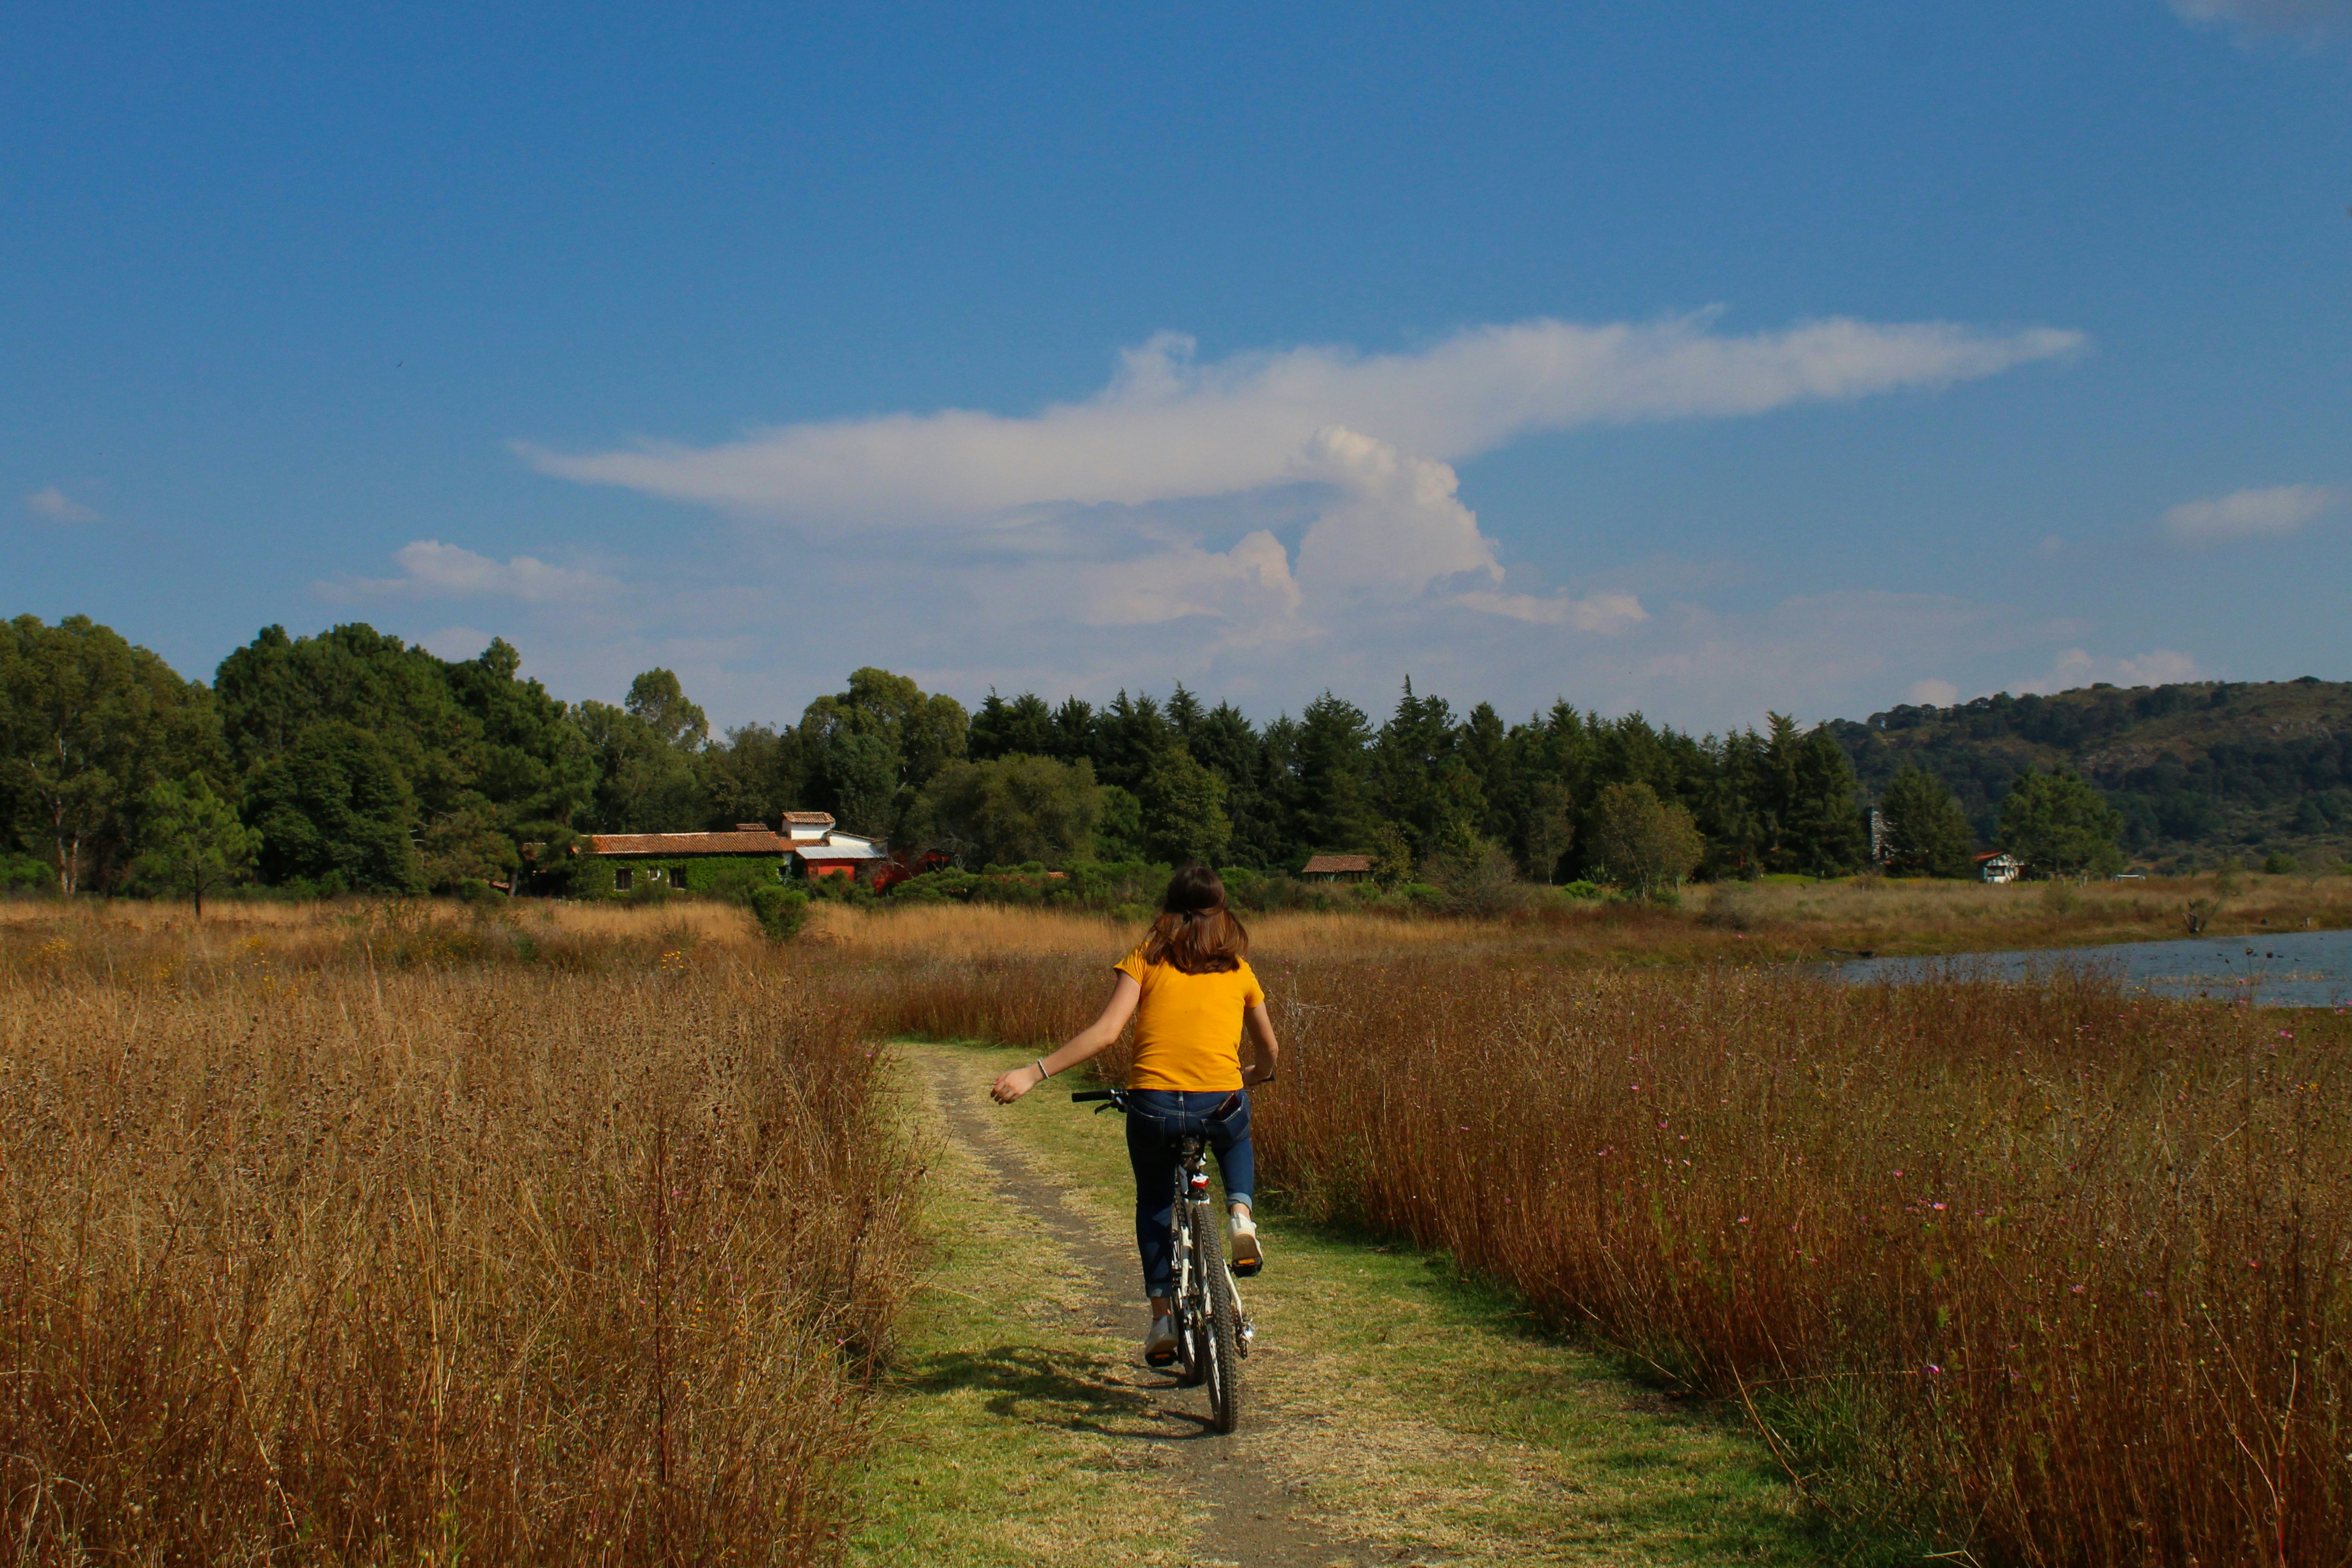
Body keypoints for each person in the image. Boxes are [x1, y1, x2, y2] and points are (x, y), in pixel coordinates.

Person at [990, 864, 1279, 1367]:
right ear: (1223, 912)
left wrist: (1033, 1073)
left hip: (1154, 1105)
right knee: (1236, 1135)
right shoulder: (1239, 969)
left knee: (1153, 1205)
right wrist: (1251, 1076)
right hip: (1221, 1098)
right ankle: (1240, 1215)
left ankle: (1162, 1319)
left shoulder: (1144, 959)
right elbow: (1269, 1050)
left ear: (1167, 910)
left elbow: (1106, 1033)